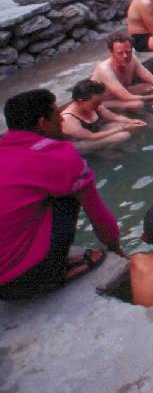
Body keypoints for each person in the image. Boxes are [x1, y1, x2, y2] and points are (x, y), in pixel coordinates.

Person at [0, 89, 124, 301]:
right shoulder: (59, 154)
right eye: (56, 114)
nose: (61, 119)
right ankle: (53, 271)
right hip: (25, 281)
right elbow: (97, 212)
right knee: (71, 191)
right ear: (42, 122)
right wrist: (115, 248)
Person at [91, 32, 153, 112]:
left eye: (128, 51)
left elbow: (152, 79)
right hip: (103, 102)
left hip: (125, 92)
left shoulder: (132, 59)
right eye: (120, 53)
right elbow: (126, 97)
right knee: (137, 104)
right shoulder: (105, 69)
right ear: (111, 52)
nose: (125, 56)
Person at [60, 79, 146, 151]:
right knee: (123, 135)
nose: (99, 104)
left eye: (100, 101)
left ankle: (114, 148)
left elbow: (111, 115)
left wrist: (131, 121)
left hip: (95, 133)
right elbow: (91, 136)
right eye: (96, 102)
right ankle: (104, 154)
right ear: (80, 101)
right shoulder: (68, 119)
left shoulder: (94, 105)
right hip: (79, 144)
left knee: (130, 125)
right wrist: (123, 128)